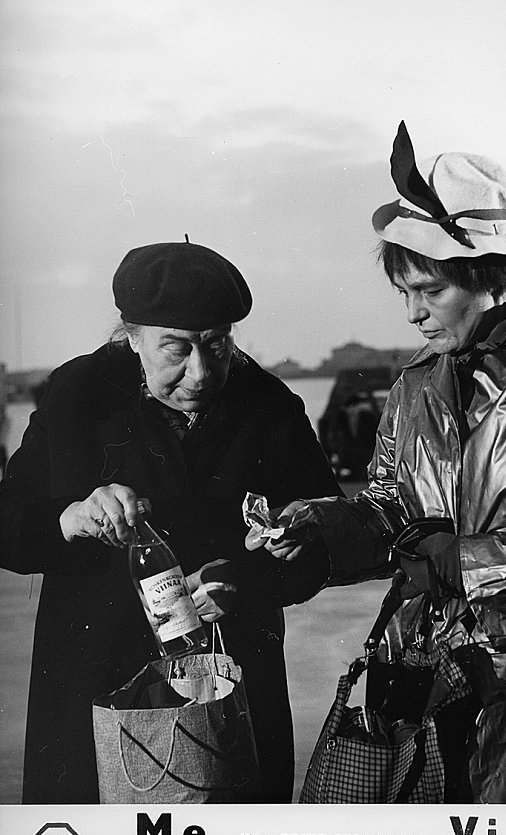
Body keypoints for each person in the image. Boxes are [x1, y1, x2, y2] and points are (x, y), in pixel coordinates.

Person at [248, 122, 506, 803]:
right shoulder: (415, 382)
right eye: (403, 292)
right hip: (426, 679)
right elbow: (390, 503)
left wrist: (467, 559)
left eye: (429, 292)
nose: (412, 313)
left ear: (489, 274)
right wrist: (318, 527)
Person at [0, 238, 341, 804]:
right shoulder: (78, 395)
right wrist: (71, 517)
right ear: (131, 336)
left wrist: (253, 579)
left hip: (231, 677)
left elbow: (325, 541)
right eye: (176, 349)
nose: (202, 372)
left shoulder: (271, 405)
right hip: (93, 671)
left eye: (217, 345)